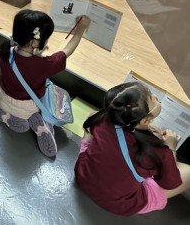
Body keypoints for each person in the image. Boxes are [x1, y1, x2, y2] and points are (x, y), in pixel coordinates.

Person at [74, 82, 190, 215]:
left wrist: (143, 127)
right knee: (188, 171)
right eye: (153, 98)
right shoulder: (157, 152)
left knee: (91, 117)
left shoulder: (101, 117)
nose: (155, 97)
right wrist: (171, 146)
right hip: (118, 203)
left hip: (84, 177)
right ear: (145, 121)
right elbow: (170, 183)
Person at [0, 10, 90, 157]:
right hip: (28, 109)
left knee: (16, 96)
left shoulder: (6, 51)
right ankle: (39, 123)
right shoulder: (43, 65)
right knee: (45, 97)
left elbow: (16, 64)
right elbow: (66, 51)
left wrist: (35, 52)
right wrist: (80, 30)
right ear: (34, 42)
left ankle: (7, 116)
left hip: (3, 99)